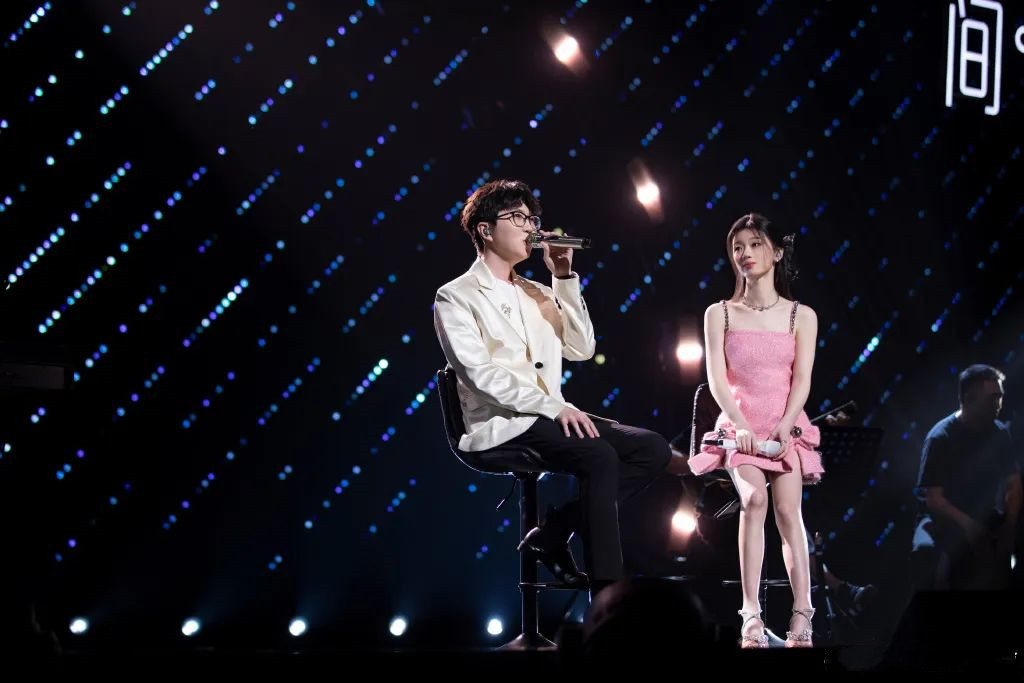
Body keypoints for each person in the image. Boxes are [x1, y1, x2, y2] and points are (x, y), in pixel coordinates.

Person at [433, 179, 670, 595]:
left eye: (532, 218)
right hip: (501, 422)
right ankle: (607, 597)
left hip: (549, 415)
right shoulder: (455, 296)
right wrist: (552, 407)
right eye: (518, 218)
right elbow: (478, 373)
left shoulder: (538, 292)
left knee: (651, 449)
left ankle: (555, 531)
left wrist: (564, 277)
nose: (531, 227)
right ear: (485, 230)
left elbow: (581, 348)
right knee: (598, 455)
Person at [688, 213, 823, 648]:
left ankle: (802, 612)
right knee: (754, 498)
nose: (745, 253)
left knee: (788, 511)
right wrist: (741, 425)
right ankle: (751, 614)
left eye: (755, 244)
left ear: (777, 252)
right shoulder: (720, 313)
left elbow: (801, 381)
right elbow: (716, 379)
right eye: (737, 247)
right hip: (740, 424)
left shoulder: (801, 316)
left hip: (785, 424)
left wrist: (785, 425)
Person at [911, 364, 1021, 590]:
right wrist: (970, 527)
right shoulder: (940, 438)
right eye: (992, 398)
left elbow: (1014, 483)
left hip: (983, 516)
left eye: (1000, 397)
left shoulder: (999, 433)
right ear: (970, 399)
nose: (999, 404)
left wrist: (1009, 526)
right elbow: (935, 500)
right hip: (943, 521)